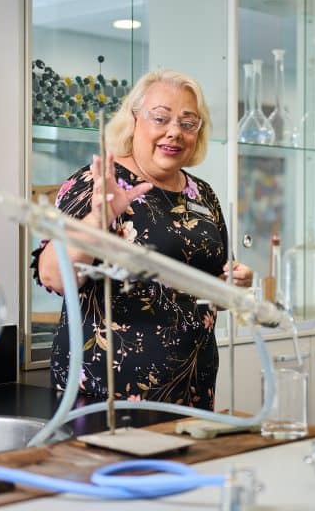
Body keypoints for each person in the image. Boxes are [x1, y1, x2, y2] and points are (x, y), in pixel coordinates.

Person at [33, 69, 253, 410]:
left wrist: (233, 284)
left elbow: (209, 290)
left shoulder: (202, 194)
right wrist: (98, 219)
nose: (174, 132)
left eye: (188, 123)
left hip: (192, 392)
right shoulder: (98, 183)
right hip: (107, 397)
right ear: (134, 120)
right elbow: (53, 274)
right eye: (161, 118)